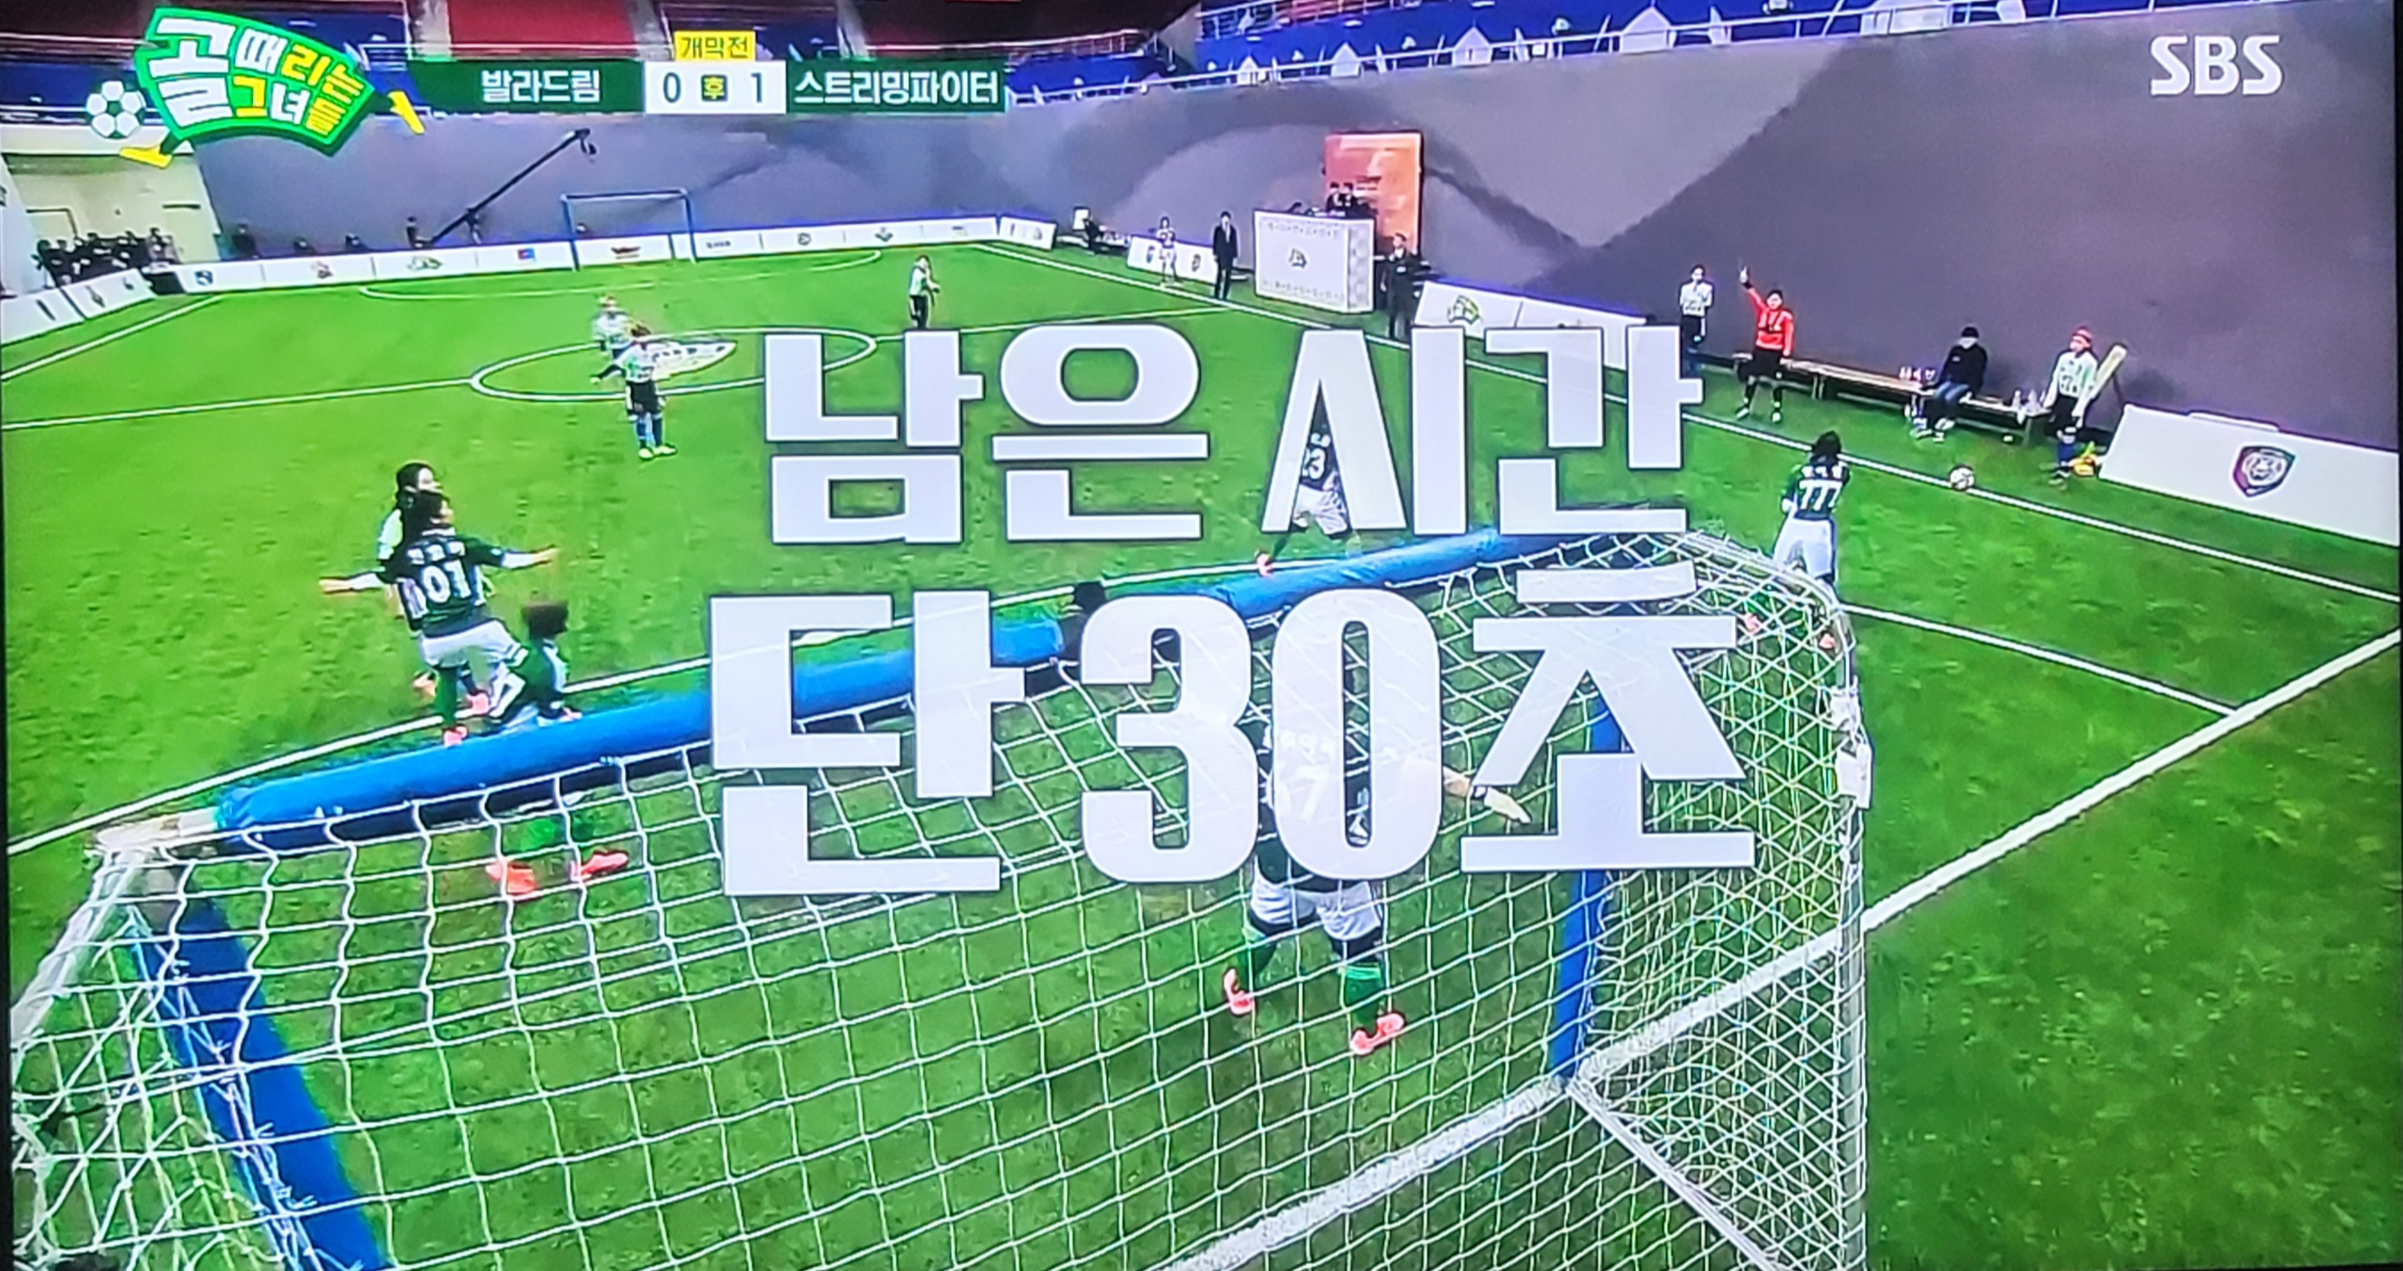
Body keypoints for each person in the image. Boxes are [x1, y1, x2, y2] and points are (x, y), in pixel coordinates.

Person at [1220, 659, 1531, 1057]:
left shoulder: (1265, 735)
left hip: (1275, 864)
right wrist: (1484, 794)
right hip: (1335, 876)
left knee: (1263, 927)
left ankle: (1240, 987)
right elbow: (1426, 774)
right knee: (1360, 951)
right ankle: (1366, 1031)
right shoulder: (1357, 754)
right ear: (1346, 702)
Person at [320, 494, 558, 745]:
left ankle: (450, 730)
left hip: (435, 638)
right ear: (436, 518)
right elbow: (506, 560)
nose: (451, 511)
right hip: (477, 626)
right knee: (532, 663)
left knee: (447, 676)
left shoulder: (405, 555)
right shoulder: (462, 544)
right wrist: (539, 557)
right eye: (446, 508)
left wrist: (345, 585)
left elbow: (380, 577)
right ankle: (553, 711)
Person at [1256, 398, 1355, 575]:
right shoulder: (1341, 432)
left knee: (1289, 526)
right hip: (1322, 496)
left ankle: (1267, 558)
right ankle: (1361, 566)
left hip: (1297, 490)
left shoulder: (1305, 429)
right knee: (1346, 536)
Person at [1771, 431, 1848, 589]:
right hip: (1821, 526)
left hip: (1796, 524)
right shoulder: (1844, 473)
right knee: (1822, 580)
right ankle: (1829, 604)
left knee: (1777, 569)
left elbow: (1786, 505)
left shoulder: (1800, 472)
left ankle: (1787, 586)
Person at [594, 324, 673, 458]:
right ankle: (643, 447)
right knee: (640, 417)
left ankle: (659, 445)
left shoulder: (651, 350)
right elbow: (617, 365)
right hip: (636, 387)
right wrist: (600, 376)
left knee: (656, 414)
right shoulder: (632, 352)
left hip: (649, 385)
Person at [2040, 327, 2104, 482]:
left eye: (2079, 341)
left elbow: (2087, 386)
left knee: (2069, 433)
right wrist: (2050, 399)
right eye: (2074, 340)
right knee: (2058, 431)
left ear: (2087, 345)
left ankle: (2064, 466)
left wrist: (2079, 408)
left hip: (2074, 400)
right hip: (2062, 398)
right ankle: (2060, 461)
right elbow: (2056, 378)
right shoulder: (2064, 358)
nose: (2075, 344)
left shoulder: (2090, 363)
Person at [1736, 266, 1794, 424]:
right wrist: (1746, 283)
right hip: (1760, 350)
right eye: (1771, 299)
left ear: (1781, 302)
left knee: (1775, 382)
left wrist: (1786, 354)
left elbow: (1788, 334)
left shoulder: (1786, 316)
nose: (1773, 302)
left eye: (1776, 300)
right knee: (1752, 378)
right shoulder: (1763, 311)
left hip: (1774, 353)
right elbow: (1754, 297)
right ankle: (1746, 406)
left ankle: (1777, 410)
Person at [1910, 327, 1988, 440]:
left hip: (1965, 384)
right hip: (1951, 381)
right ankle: (1930, 424)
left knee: (1950, 397)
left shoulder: (1980, 354)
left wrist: (1972, 391)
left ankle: (1949, 419)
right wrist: (1937, 384)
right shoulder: (1956, 350)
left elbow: (1978, 374)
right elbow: (1947, 368)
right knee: (1938, 395)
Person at [1677, 265, 1714, 377]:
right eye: (1696, 274)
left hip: (1698, 319)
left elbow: (1707, 303)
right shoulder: (1685, 288)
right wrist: (1693, 301)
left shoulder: (1707, 288)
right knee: (1684, 343)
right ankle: (1684, 369)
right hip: (1686, 318)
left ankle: (1695, 370)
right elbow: (1682, 302)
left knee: (1696, 344)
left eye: (1701, 274)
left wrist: (1698, 297)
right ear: (1692, 275)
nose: (1699, 277)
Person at [591, 295, 634, 374]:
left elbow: (630, 327)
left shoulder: (623, 317)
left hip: (628, 344)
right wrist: (603, 351)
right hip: (615, 346)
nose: (612, 309)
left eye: (614, 306)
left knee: (632, 365)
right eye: (609, 306)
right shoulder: (600, 322)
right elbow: (600, 338)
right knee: (621, 366)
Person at [1210, 211, 1239, 301]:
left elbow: (1234, 243)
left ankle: (1225, 295)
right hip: (1220, 255)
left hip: (1229, 256)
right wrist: (1215, 253)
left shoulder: (1232, 231)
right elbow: (1215, 242)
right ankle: (1216, 293)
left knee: (1228, 276)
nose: (1226, 221)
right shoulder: (1218, 230)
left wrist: (1235, 255)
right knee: (1219, 274)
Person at [906, 254, 940, 329]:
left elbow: (926, 285)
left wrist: (932, 296)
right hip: (916, 298)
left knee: (924, 320)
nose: (926, 265)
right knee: (918, 319)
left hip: (922, 298)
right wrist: (933, 287)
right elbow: (925, 282)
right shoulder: (917, 272)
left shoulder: (923, 271)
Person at [1152, 215, 1177, 287]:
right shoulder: (1160, 231)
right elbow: (1158, 239)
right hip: (1164, 248)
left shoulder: (1171, 230)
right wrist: (1162, 237)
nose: (1164, 224)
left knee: (1172, 263)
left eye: (1165, 223)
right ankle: (1163, 277)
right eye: (1163, 223)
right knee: (1164, 263)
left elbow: (1173, 238)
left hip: (1171, 248)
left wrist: (1170, 235)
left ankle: (1175, 276)